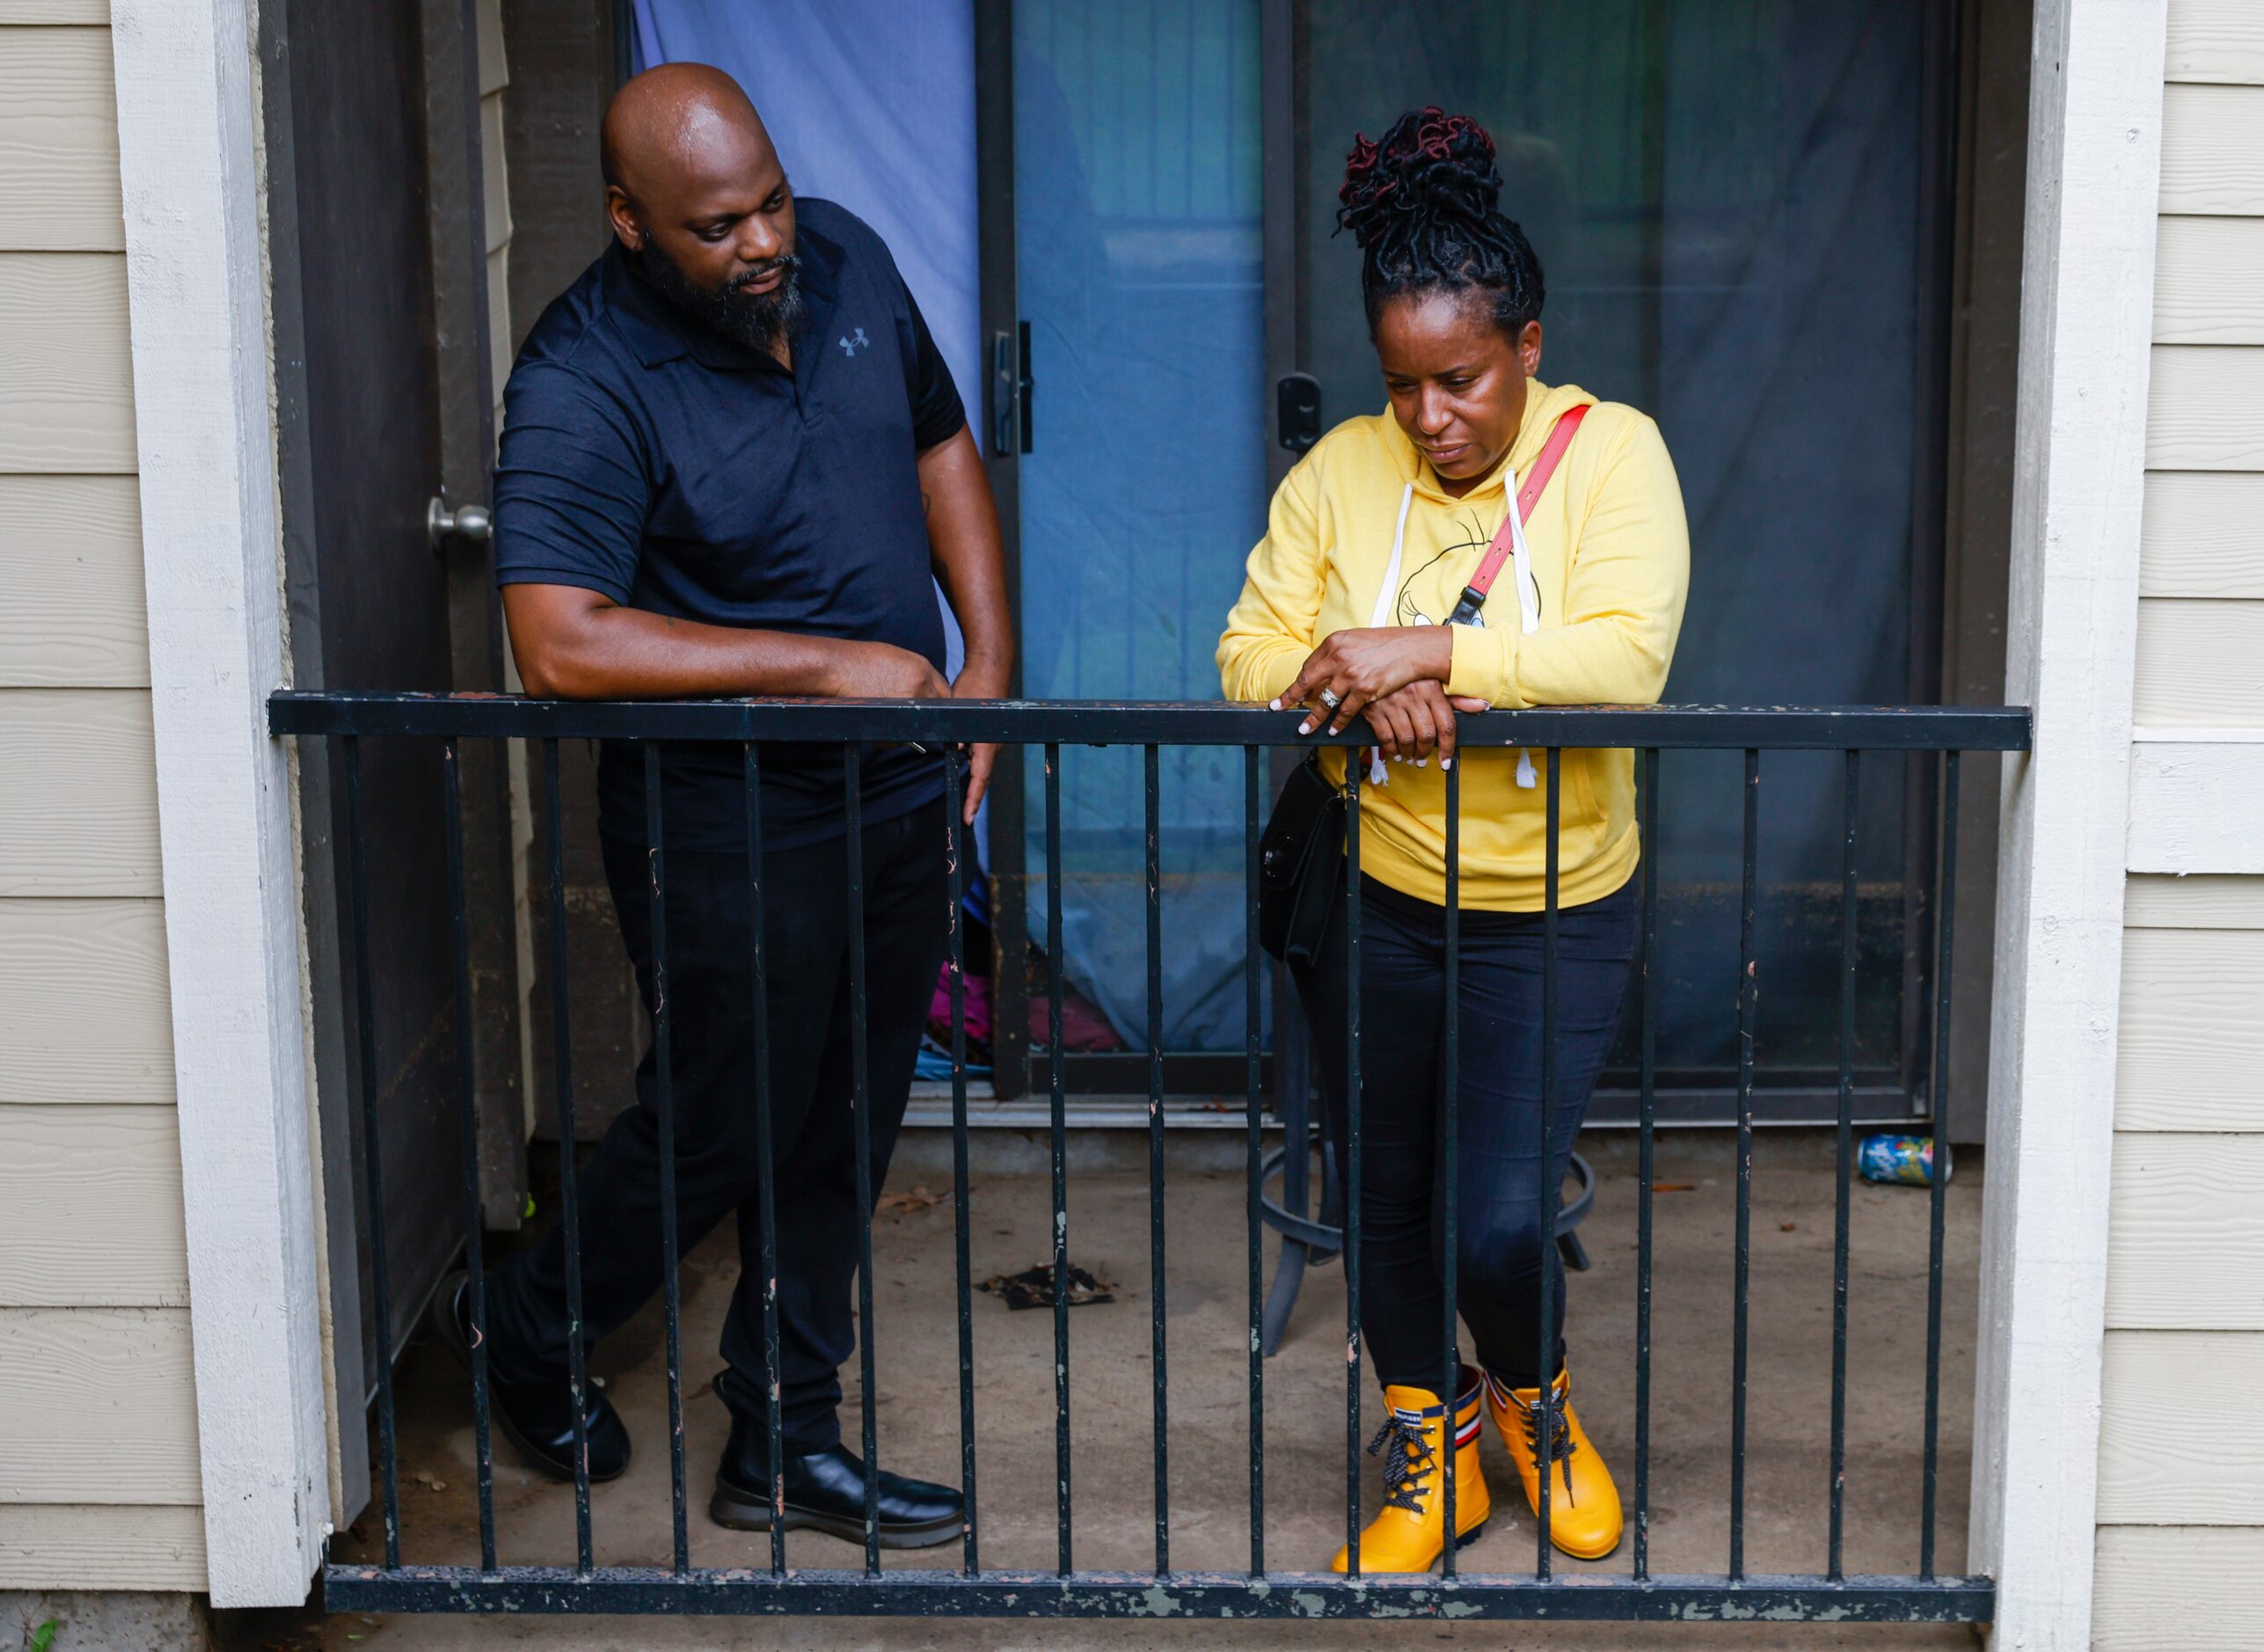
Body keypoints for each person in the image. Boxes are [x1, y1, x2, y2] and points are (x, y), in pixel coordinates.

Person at [434, 62, 1011, 1550]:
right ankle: (531, 1319)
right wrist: (835, 666)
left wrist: (986, 664)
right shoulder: (581, 373)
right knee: (716, 1117)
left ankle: (783, 1437)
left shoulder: (847, 254)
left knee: (845, 1118)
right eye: (717, 225)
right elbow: (559, 637)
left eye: (767, 202)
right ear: (630, 222)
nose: (764, 243)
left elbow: (941, 437)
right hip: (725, 819)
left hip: (898, 786)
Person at [1217, 106, 1689, 1572]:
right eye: (1404, 383)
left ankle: (1534, 1404)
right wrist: (1358, 685)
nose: (1431, 417)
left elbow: (1624, 660)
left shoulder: (1611, 456)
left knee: (1495, 1220)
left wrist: (1427, 654)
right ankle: (1431, 1448)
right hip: (1379, 893)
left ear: (1527, 346)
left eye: (1462, 379)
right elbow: (1250, 652)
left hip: (1553, 903)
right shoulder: (1340, 475)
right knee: (1385, 1201)